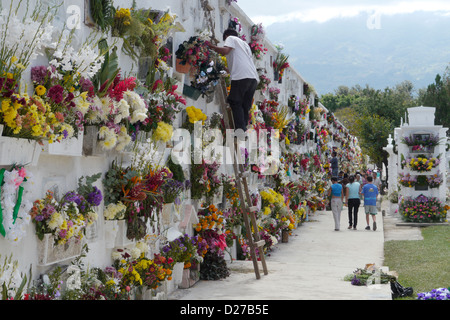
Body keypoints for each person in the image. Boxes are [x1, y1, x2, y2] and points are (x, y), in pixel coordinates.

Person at [207, 29, 259, 131]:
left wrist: (211, 46)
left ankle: (240, 130)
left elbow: (225, 51)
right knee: (245, 106)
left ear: (226, 36)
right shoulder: (245, 45)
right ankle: (243, 130)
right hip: (253, 78)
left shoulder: (231, 38)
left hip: (241, 77)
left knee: (235, 102)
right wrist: (224, 68)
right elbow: (239, 63)